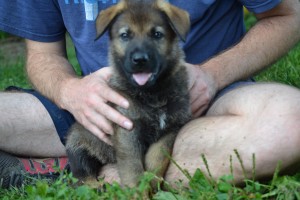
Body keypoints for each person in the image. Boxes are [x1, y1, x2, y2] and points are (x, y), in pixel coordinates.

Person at [0, 0, 300, 188]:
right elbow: (42, 54)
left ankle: (98, 178)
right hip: (94, 112)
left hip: (205, 109)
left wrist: (213, 74)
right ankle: (83, 166)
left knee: (291, 123)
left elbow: (289, 15)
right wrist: (69, 90)